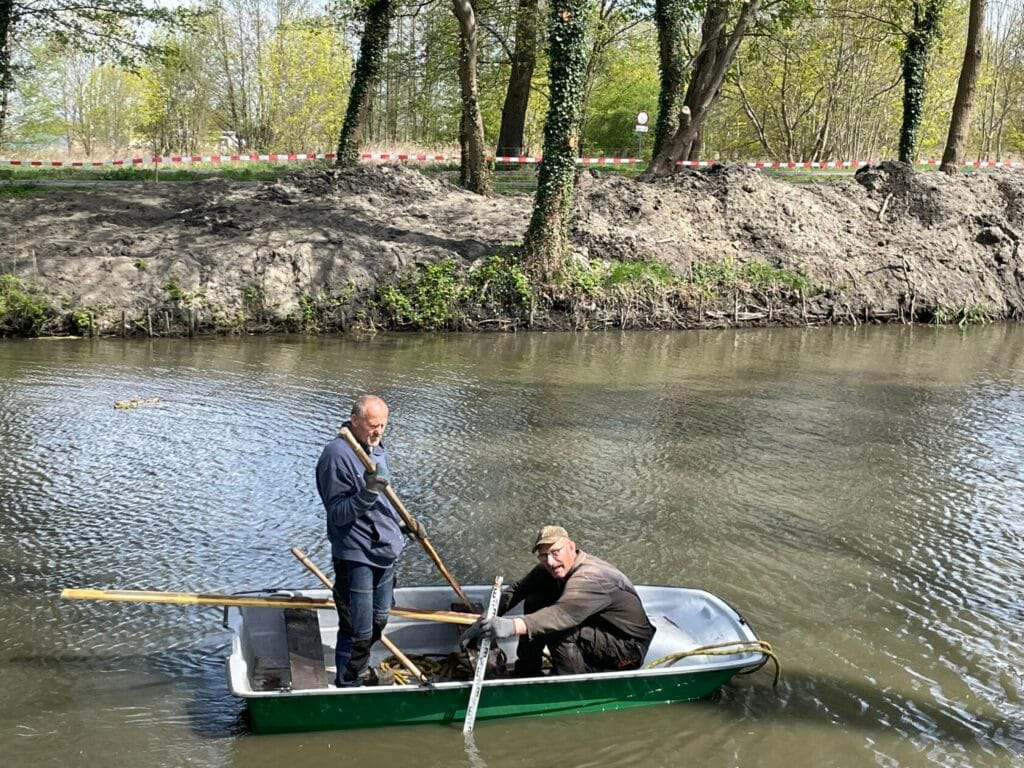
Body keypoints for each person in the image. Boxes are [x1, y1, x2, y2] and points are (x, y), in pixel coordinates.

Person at [315, 394, 421, 686]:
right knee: (357, 628)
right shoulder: (336, 455)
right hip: (356, 553)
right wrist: (367, 493)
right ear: (354, 421)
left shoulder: (376, 448)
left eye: (383, 427)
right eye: (373, 425)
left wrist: (402, 525)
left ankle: (358, 669)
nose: (378, 432)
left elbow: (383, 505)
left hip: (385, 550)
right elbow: (337, 513)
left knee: (379, 619)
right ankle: (349, 681)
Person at [463, 525, 655, 676]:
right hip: (597, 630)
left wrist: (512, 626)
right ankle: (527, 672)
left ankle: (570, 682)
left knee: (556, 626)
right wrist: (485, 619)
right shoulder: (550, 569)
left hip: (628, 649)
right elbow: (517, 590)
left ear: (571, 547)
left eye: (556, 552)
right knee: (535, 601)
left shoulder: (590, 577)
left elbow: (561, 615)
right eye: (544, 556)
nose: (551, 561)